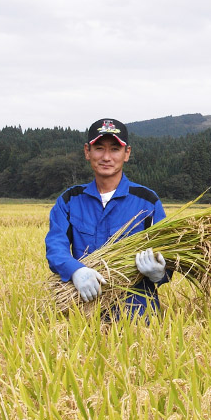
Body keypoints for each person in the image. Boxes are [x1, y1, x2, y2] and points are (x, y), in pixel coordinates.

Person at [46, 118, 169, 317]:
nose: (106, 157)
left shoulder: (147, 201)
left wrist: (159, 274)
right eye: (99, 148)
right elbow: (55, 247)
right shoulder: (70, 200)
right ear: (87, 151)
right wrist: (76, 271)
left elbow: (167, 253)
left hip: (137, 314)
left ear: (126, 153)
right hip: (82, 306)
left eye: (114, 149)